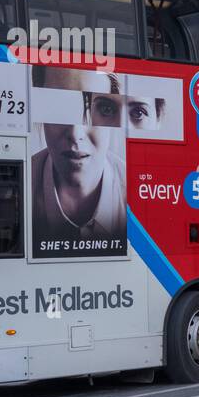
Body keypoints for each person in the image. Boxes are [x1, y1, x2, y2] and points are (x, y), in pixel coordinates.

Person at [30, 66, 127, 258]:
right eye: (58, 108)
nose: (76, 134)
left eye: (100, 108)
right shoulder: (25, 183)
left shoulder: (135, 191)